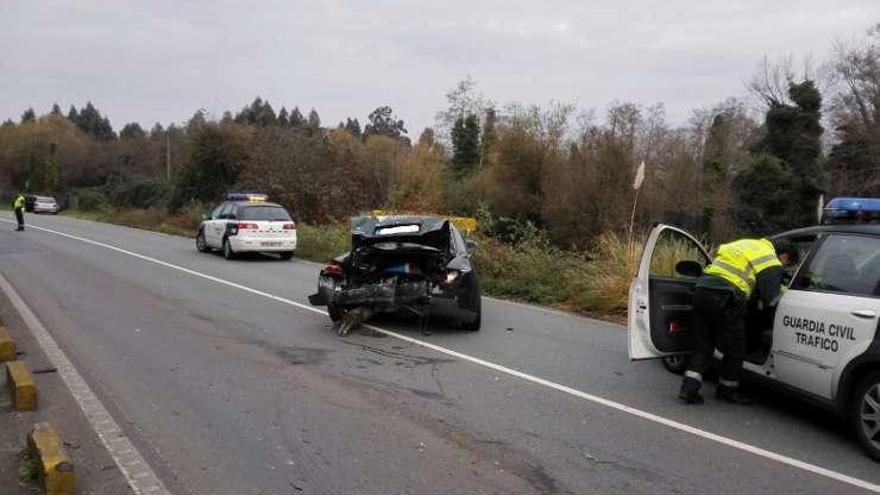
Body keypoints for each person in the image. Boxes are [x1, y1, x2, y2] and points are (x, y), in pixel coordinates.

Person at [679, 238, 799, 405]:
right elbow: (770, 298)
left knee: (703, 344)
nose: (784, 266)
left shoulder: (745, 243)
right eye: (787, 263)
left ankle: (688, 389)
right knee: (736, 347)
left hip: (702, 291)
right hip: (725, 298)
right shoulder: (770, 259)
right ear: (784, 255)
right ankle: (727, 390)